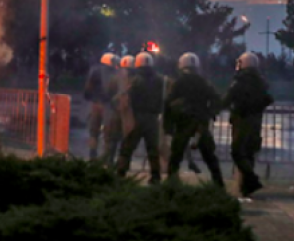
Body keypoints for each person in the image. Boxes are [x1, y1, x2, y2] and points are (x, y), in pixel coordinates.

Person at [164, 52, 224, 186]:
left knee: (176, 157)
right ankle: (219, 184)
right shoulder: (203, 82)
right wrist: (210, 113)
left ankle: (171, 184)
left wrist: (168, 128)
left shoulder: (178, 83)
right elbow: (217, 100)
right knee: (210, 156)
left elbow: (168, 104)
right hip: (200, 125)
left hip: (183, 123)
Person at [222, 52, 274, 197]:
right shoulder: (261, 83)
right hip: (256, 122)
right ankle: (246, 187)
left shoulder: (239, 82)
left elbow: (226, 100)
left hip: (241, 121)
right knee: (249, 153)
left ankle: (252, 180)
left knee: (237, 152)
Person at [115, 52, 164, 184]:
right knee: (152, 149)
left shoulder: (134, 80)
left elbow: (128, 98)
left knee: (128, 147)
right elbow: (161, 99)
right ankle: (155, 176)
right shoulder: (159, 79)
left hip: (137, 117)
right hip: (153, 118)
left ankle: (121, 173)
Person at [83, 53, 119, 161]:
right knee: (109, 134)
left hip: (96, 105)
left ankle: (92, 156)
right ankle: (108, 159)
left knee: (93, 132)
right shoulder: (116, 72)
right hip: (109, 106)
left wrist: (89, 97)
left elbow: (88, 88)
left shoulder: (95, 71)